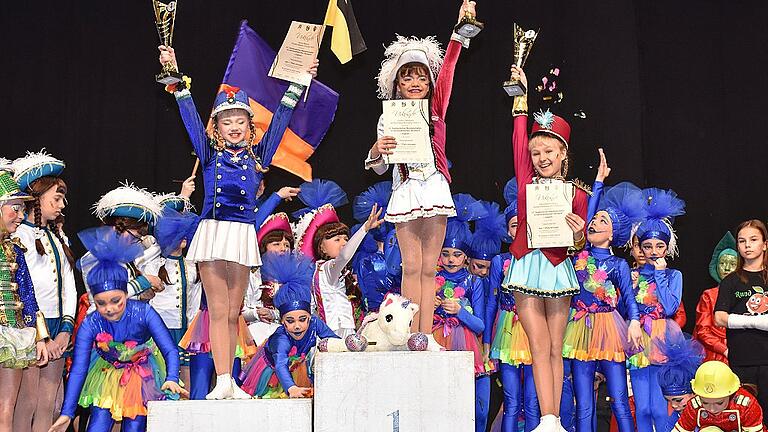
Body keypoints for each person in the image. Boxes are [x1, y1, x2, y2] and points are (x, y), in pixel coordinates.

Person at [159, 45, 309, 399]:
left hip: (241, 234)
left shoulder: (259, 158)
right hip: (213, 233)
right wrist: (177, 79)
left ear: (249, 125)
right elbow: (191, 120)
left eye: (240, 121)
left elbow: (280, 123)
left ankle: (231, 382)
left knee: (234, 312)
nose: (234, 127)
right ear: (218, 129)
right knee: (217, 309)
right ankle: (222, 379)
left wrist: (298, 83)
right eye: (227, 122)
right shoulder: (209, 154)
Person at [364, 1, 479, 335]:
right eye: (407, 77)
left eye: (421, 76)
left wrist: (459, 31)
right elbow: (379, 165)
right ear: (397, 84)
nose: (414, 82)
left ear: (429, 83)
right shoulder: (388, 115)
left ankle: (425, 336)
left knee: (430, 268)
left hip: (434, 187)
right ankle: (409, 333)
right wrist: (377, 149)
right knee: (410, 267)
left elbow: (450, 69)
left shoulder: (436, 109)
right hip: (405, 189)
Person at [503, 65, 589, 432]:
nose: (541, 157)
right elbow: (518, 137)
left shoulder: (577, 193)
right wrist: (520, 95)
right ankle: (546, 420)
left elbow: (579, 244)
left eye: (549, 151)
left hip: (557, 268)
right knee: (538, 347)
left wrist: (580, 234)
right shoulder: (526, 181)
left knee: (556, 348)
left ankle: (553, 420)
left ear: (563, 154)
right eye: (536, 152)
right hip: (526, 263)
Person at [49, 227, 186, 432]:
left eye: (116, 301)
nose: (109, 309)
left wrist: (172, 378)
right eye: (101, 303)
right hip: (106, 371)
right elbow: (79, 369)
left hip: (142, 373)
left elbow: (169, 349)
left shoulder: (144, 312)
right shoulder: (92, 323)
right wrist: (67, 413)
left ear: (126, 293)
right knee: (98, 424)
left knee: (134, 424)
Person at [563, 152, 645, 432]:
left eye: (602, 222)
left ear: (612, 235)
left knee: (619, 399)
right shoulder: (579, 255)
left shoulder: (618, 264)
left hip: (609, 328)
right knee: (583, 402)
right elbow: (585, 218)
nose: (594, 223)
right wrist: (597, 181)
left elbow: (629, 298)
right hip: (579, 327)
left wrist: (634, 321)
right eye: (594, 220)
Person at [11, 150, 75, 432]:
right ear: (36, 198)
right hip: (30, 327)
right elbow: (25, 288)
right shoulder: (19, 235)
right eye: (56, 198)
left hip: (57, 327)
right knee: (27, 401)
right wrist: (41, 334)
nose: (62, 204)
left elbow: (70, 285)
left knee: (50, 402)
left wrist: (65, 328)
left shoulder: (59, 236)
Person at [239, 253, 340, 398]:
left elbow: (333, 340)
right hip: (271, 373)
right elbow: (280, 364)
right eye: (290, 321)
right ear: (282, 321)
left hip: (296, 367)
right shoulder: (281, 338)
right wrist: (291, 387)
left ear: (310, 317)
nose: (297, 326)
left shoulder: (315, 323)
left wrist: (345, 346)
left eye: (302, 319)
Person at [292, 179, 384, 337]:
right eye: (337, 240)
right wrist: (364, 229)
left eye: (345, 239)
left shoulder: (339, 271)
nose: (343, 243)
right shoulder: (326, 268)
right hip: (334, 331)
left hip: (346, 330)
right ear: (321, 247)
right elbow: (344, 256)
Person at [627, 187, 686, 432]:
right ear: (640, 247)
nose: (653, 251)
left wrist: (660, 275)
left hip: (664, 336)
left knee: (660, 406)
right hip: (638, 337)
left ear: (666, 248)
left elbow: (671, 306)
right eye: (647, 246)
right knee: (642, 407)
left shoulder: (674, 274)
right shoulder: (632, 275)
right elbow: (626, 309)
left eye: (658, 246)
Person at [0, 165, 49, 432]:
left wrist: (40, 336)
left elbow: (28, 294)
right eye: (15, 207)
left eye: (22, 208)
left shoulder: (15, 248)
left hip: (12, 335)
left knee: (6, 411)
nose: (20, 215)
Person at [433, 194, 487, 432]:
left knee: (477, 410)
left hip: (467, 349)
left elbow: (480, 325)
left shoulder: (473, 281)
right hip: (438, 346)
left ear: (466, 257)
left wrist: (460, 311)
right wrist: (432, 306)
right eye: (445, 253)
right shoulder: (431, 280)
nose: (450, 259)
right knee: (442, 407)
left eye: (456, 254)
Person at [714, 219, 768, 417]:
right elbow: (719, 317)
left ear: (764, 244)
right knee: (744, 415)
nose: (747, 245)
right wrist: (754, 321)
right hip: (742, 360)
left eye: (753, 239)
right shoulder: (730, 281)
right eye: (742, 241)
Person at [148, 202, 203, 391]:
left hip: (185, 330)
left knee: (186, 376)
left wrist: (194, 329)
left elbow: (195, 299)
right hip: (161, 329)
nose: (183, 238)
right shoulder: (155, 263)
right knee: (161, 374)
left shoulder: (192, 264)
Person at [673, 361, 764, 432]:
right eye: (705, 402)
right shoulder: (694, 405)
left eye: (719, 402)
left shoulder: (747, 405)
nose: (712, 409)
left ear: (731, 394)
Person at [694, 232, 737, 363]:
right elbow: (703, 330)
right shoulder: (709, 295)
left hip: (741, 352)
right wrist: (724, 349)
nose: (727, 268)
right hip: (714, 355)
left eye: (733, 264)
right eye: (723, 263)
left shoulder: (745, 294)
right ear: (715, 266)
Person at [657, 332, 704, 432]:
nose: (673, 405)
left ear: (694, 392)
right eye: (669, 401)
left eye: (678, 400)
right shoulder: (676, 417)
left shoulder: (710, 413)